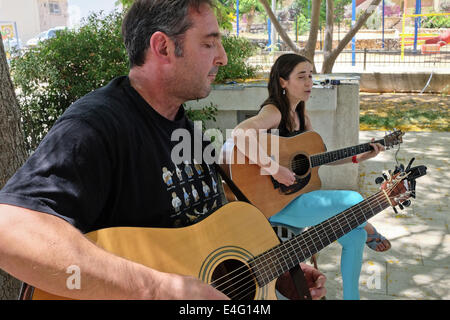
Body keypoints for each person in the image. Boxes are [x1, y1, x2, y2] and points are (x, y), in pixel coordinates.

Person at [0, 0, 325, 300]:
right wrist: (157, 288)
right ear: (163, 47)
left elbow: (206, 239)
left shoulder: (188, 132)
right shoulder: (95, 126)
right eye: (209, 43)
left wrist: (275, 274)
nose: (222, 57)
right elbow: (10, 230)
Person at [231, 53, 390, 300]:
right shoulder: (274, 111)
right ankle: (370, 228)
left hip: (297, 200)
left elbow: (320, 157)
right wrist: (273, 168)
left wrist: (361, 156)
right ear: (283, 82)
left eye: (311, 76)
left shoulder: (302, 116)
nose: (309, 83)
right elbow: (240, 134)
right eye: (301, 77)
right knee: (354, 201)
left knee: (354, 236)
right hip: (273, 204)